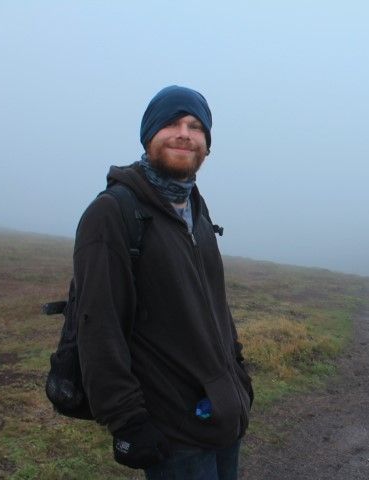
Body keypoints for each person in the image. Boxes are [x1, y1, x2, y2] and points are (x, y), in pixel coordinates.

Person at [73, 85, 252, 479]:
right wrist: (128, 421)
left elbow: (213, 304)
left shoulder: (197, 213)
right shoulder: (113, 213)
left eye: (195, 126)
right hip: (172, 429)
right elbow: (98, 326)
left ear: (207, 145)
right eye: (171, 123)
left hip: (223, 415)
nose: (184, 134)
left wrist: (238, 373)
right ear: (148, 135)